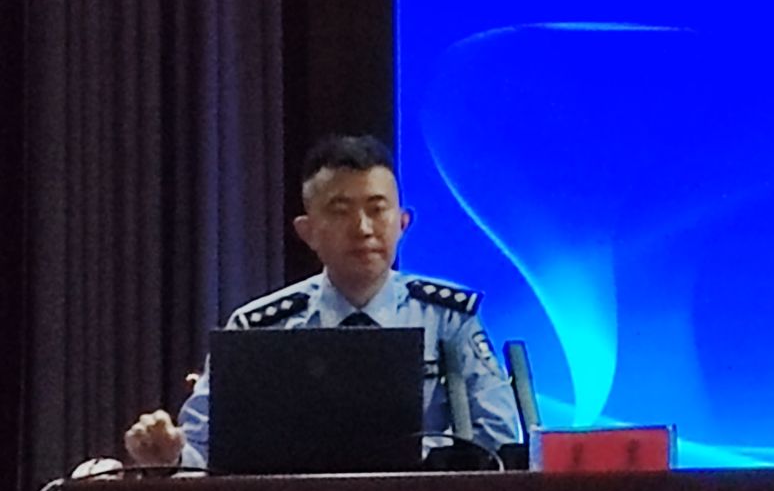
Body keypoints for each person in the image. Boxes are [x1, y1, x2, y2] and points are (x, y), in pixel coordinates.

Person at [123, 134, 521, 469]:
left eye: (377, 210)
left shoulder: (449, 319)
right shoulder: (260, 329)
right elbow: (204, 448)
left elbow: (498, 437)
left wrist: (410, 458)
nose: (363, 229)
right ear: (307, 231)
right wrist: (170, 455)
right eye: (341, 211)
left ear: (403, 223)